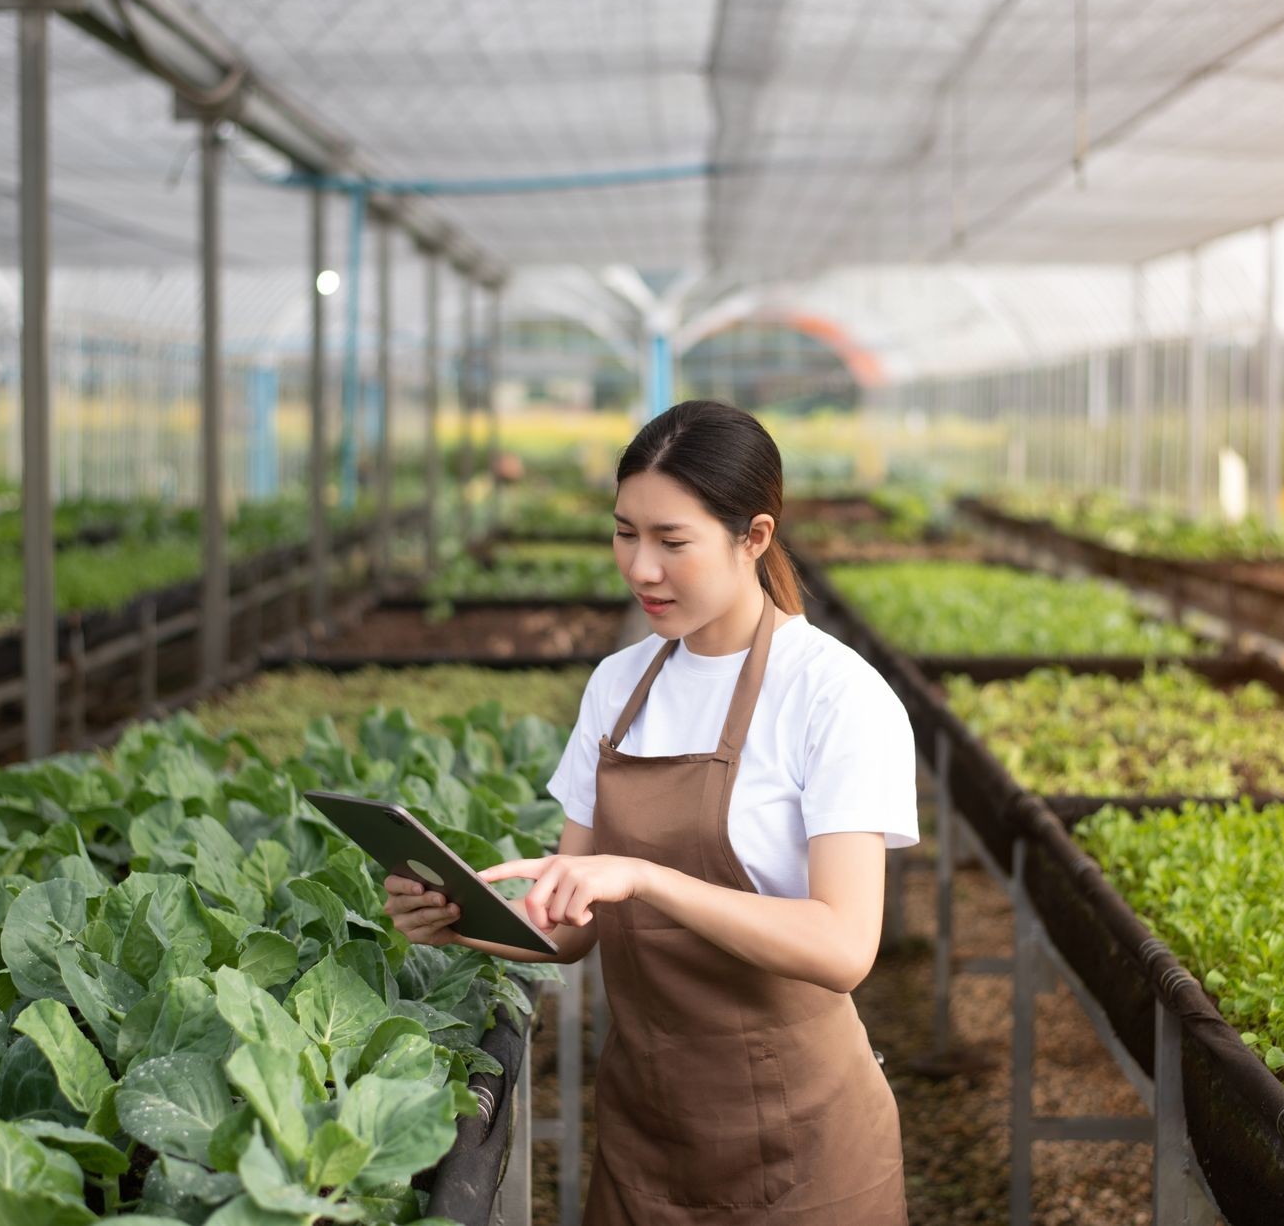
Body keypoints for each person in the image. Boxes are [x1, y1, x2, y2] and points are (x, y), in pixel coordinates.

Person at [385, 400, 917, 1223]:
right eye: (625, 532)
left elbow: (845, 946)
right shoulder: (620, 688)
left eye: (673, 541)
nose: (640, 568)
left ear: (756, 537)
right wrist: (459, 917)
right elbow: (570, 931)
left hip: (805, 1144)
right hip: (648, 1134)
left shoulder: (833, 695)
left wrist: (645, 877)